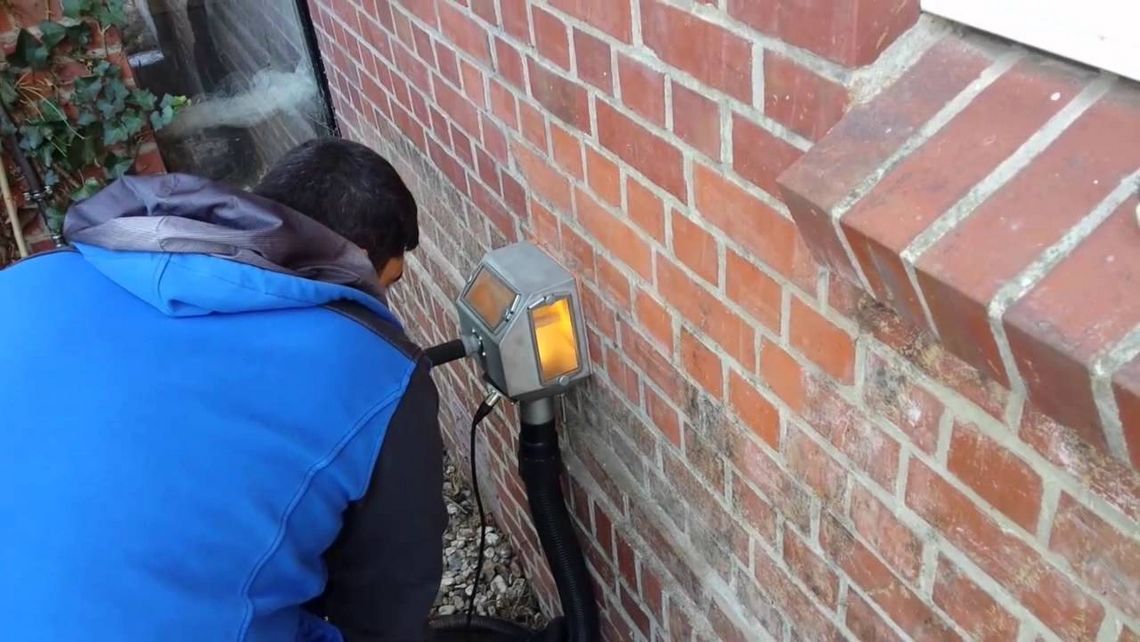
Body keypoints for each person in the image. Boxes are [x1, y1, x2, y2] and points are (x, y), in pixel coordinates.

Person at [0, 138, 446, 641]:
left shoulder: (29, 281)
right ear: (357, 258)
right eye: (387, 282)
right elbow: (387, 603)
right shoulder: (372, 367)